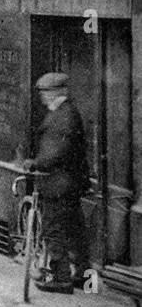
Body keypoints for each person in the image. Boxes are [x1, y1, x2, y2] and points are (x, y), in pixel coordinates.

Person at [27, 72, 90, 294]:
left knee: (54, 230)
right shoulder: (64, 113)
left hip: (58, 184)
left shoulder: (63, 116)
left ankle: (61, 278)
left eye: (45, 92)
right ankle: (83, 276)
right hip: (69, 183)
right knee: (74, 229)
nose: (42, 97)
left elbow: (56, 153)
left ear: (56, 93)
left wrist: (35, 163)